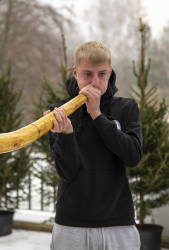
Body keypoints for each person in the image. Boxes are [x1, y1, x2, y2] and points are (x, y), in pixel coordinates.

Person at [44, 41, 142, 250]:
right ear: (75, 72)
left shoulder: (126, 107)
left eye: (102, 74)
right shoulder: (59, 112)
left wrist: (97, 115)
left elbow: (133, 157)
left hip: (119, 221)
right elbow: (67, 173)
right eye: (87, 74)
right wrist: (67, 134)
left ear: (110, 72)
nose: (95, 82)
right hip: (71, 223)